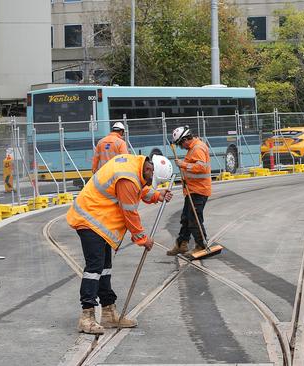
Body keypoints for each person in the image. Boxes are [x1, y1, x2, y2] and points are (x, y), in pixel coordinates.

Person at [67, 153, 173, 334]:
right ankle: (87, 316)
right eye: (151, 180)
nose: (149, 183)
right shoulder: (128, 178)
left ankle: (108, 312)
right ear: (149, 169)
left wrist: (156, 195)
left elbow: (140, 188)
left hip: (100, 220)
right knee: (94, 268)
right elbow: (130, 211)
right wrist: (142, 239)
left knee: (105, 267)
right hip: (91, 218)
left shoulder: (136, 165)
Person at [166, 126, 211, 256]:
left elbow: (201, 167)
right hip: (191, 190)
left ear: (185, 139)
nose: (181, 147)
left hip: (199, 191)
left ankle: (201, 245)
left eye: (181, 144)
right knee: (186, 218)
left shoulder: (198, 148)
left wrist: (183, 164)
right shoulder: (193, 148)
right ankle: (182, 243)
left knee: (194, 219)